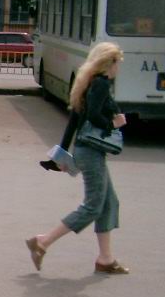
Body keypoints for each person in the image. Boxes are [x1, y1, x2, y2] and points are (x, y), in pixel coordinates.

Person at [25, 42, 129, 274]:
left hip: (85, 150)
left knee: (108, 202)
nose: (118, 68)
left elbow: (73, 120)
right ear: (108, 63)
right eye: (117, 63)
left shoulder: (86, 82)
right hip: (91, 152)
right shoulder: (101, 83)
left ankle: (105, 258)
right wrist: (113, 123)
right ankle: (42, 242)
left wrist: (61, 155)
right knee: (93, 206)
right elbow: (92, 115)